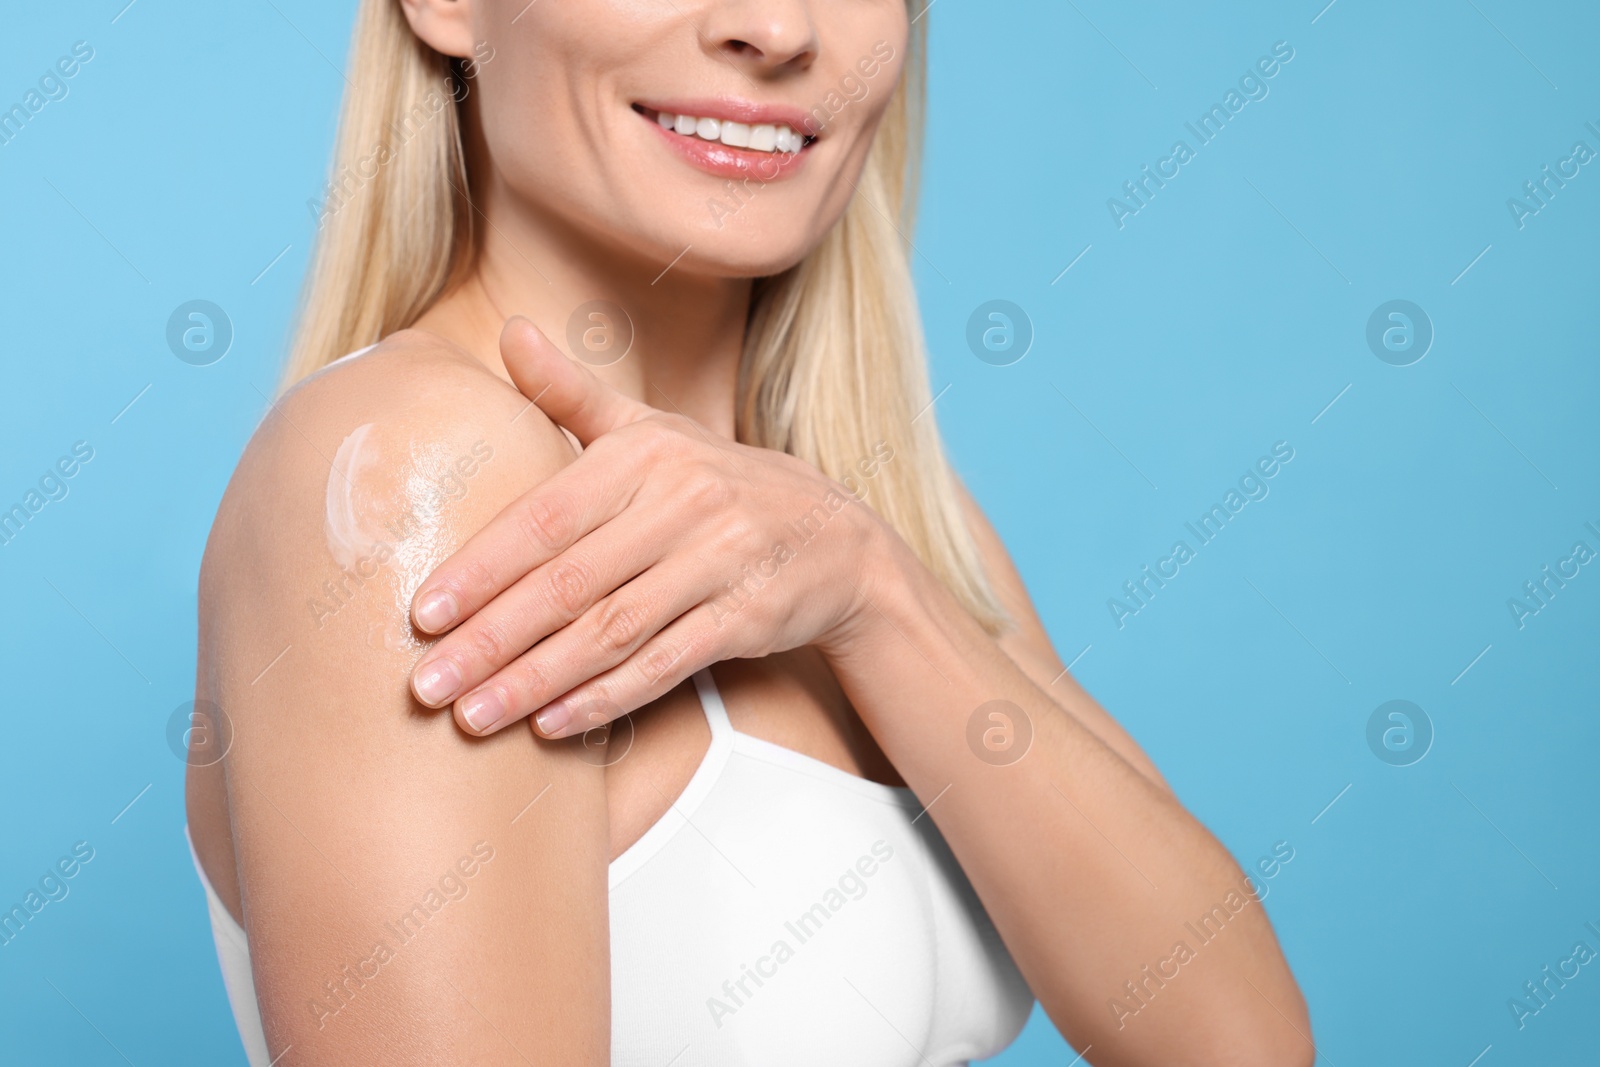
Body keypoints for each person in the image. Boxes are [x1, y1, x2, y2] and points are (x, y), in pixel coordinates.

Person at [186, 1, 1313, 1063]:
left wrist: (874, 587)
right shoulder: (423, 466)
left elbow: (1236, 1039)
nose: (776, 28)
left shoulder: (867, 517)